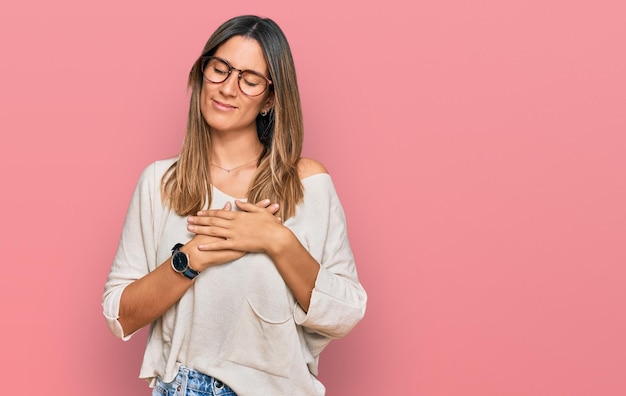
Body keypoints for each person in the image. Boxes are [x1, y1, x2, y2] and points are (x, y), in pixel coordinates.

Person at [102, 14, 367, 396]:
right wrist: (190, 259)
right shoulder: (160, 183)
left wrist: (277, 241)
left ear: (271, 98)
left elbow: (346, 313)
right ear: (202, 73)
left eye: (249, 79)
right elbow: (119, 315)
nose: (228, 88)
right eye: (220, 69)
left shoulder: (306, 183)